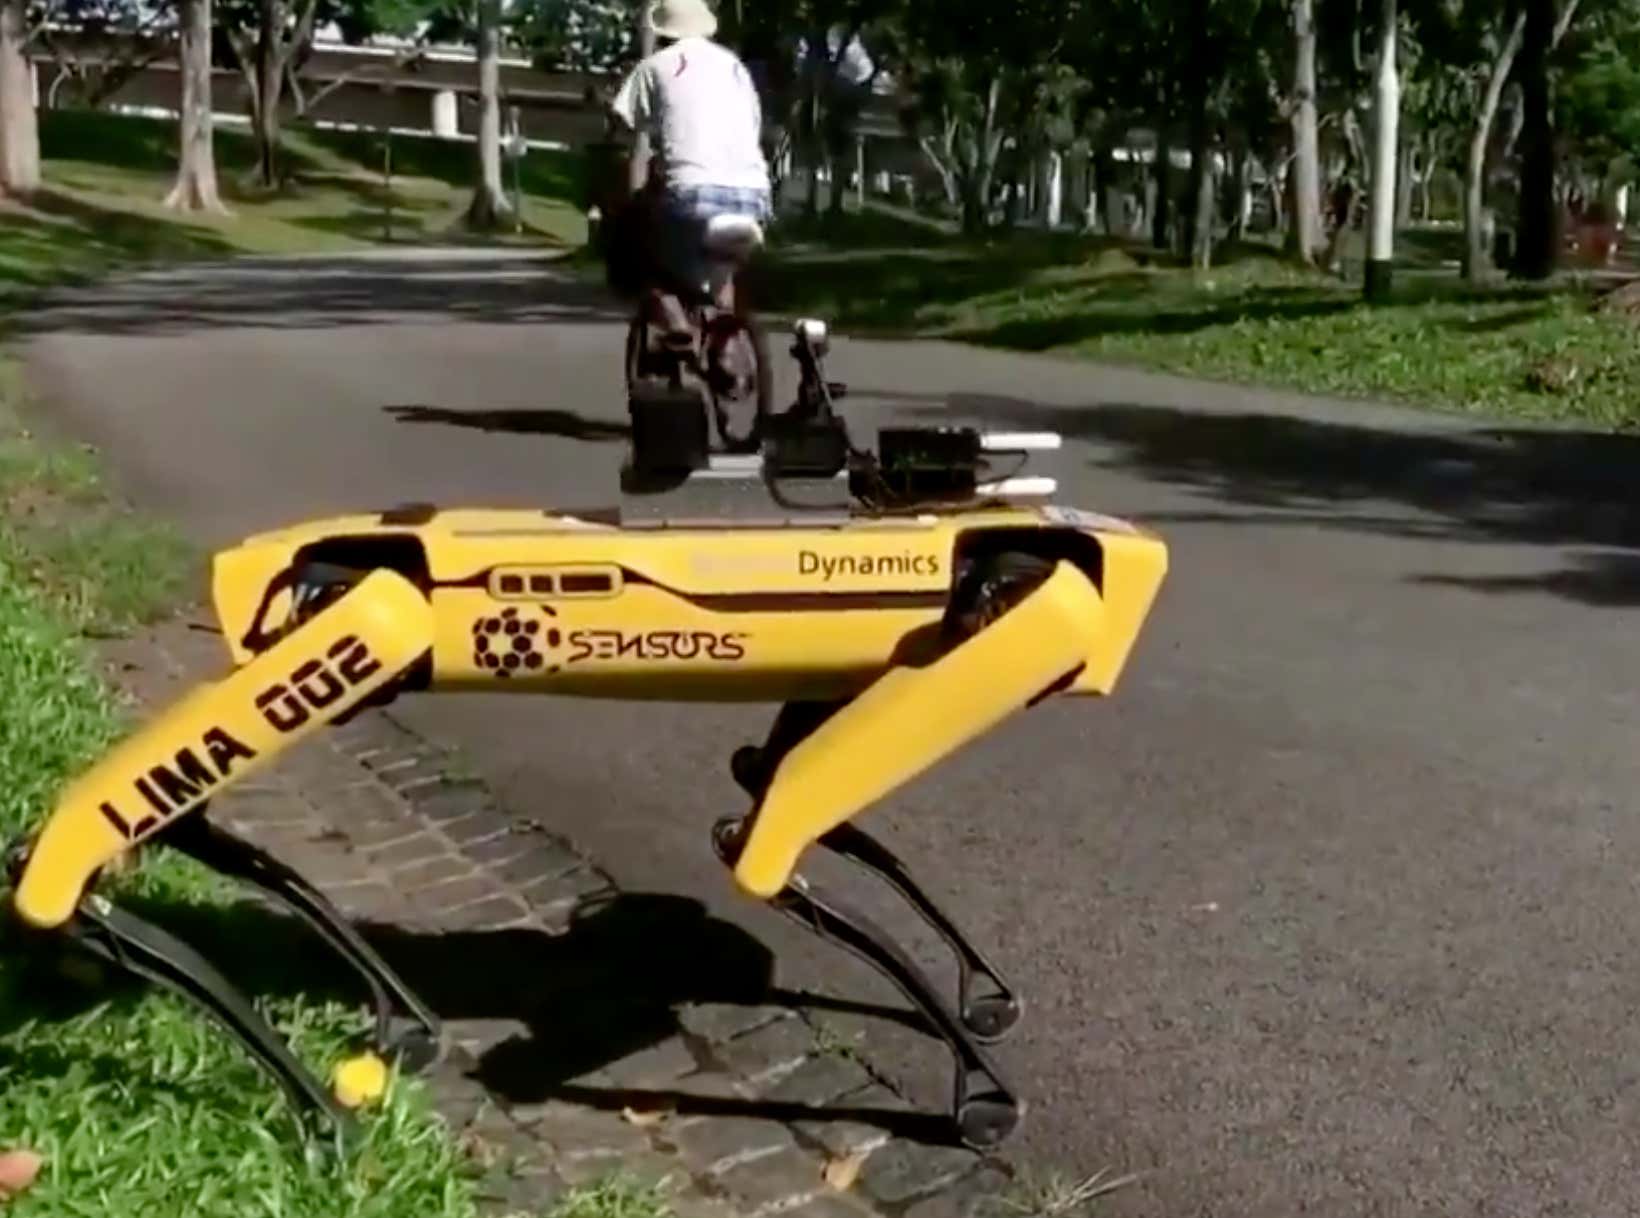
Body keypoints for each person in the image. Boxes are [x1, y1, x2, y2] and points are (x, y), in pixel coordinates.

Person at [607, 0, 772, 339]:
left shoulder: (655, 65)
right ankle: (726, 345)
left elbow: (622, 124)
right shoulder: (734, 67)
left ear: (663, 32)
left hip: (691, 192)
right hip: (753, 196)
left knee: (643, 247)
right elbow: (754, 125)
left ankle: (675, 323)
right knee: (722, 270)